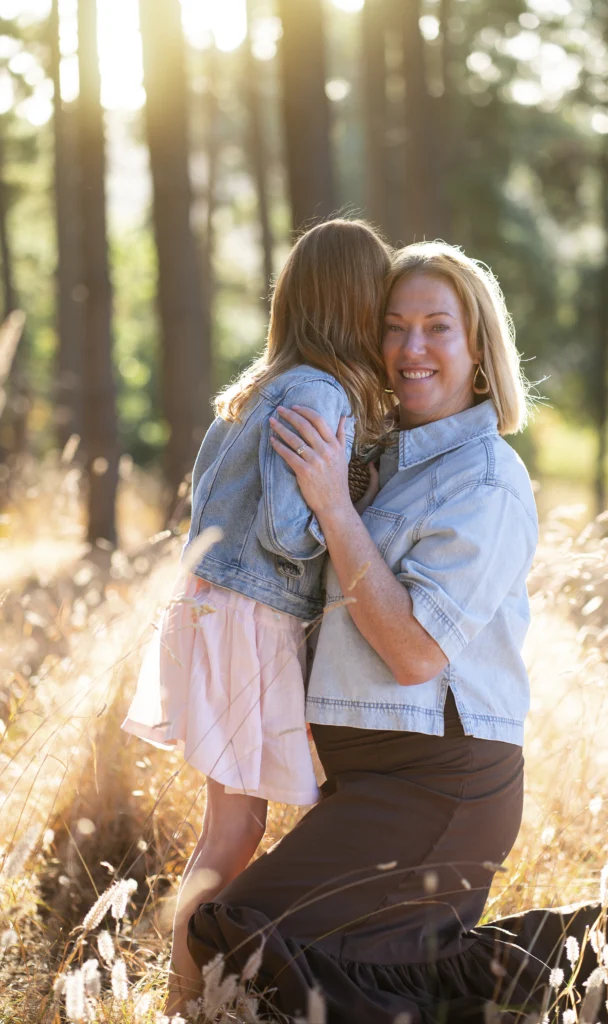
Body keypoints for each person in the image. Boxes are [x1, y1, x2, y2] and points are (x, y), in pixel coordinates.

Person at [187, 243, 608, 1023]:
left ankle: (580, 983)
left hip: (438, 785)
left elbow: (414, 653)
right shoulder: (388, 461)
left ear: (479, 352)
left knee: (242, 942)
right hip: (370, 781)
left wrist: (333, 508)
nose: (411, 348)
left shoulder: (485, 479)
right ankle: (565, 980)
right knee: (333, 965)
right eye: (394, 326)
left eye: (437, 328)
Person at [121, 218, 393, 1013]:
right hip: (250, 623)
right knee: (235, 833)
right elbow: (288, 527)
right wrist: (356, 506)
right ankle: (181, 997)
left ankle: (201, 985)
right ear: (352, 304)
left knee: (231, 827)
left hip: (219, 613)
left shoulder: (263, 384)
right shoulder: (317, 391)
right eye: (379, 301)